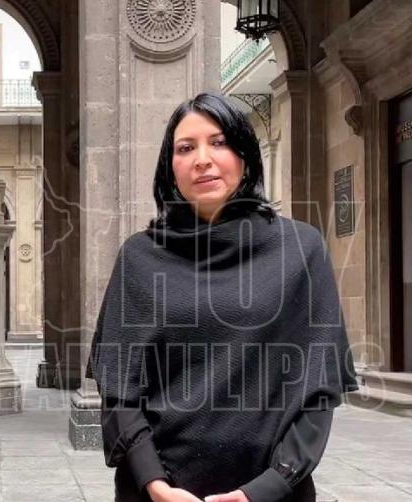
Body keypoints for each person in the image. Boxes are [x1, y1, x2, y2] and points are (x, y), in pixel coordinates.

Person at [87, 92, 358, 502]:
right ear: (169, 167)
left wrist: (266, 488)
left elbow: (319, 390)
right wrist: (156, 484)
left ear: (245, 155)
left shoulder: (301, 249)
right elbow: (119, 390)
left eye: (219, 142)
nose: (202, 159)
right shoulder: (140, 257)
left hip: (272, 492)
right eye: (185, 148)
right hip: (158, 492)